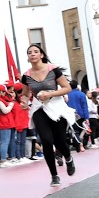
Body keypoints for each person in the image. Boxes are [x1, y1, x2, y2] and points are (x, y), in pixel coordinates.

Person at [21, 44, 76, 186]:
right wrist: (24, 102)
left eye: (35, 52)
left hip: (56, 107)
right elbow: (25, 94)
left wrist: (50, 94)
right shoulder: (26, 76)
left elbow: (67, 88)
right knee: (46, 140)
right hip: (39, 108)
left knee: (60, 141)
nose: (32, 54)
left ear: (42, 55)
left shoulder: (53, 70)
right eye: (29, 52)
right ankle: (54, 175)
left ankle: (68, 157)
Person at [0, 85, 16, 166]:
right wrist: (11, 105)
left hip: (4, 123)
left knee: (6, 141)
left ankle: (7, 158)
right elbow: (5, 111)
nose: (5, 93)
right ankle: (3, 160)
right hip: (3, 123)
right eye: (4, 92)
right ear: (1, 91)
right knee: (5, 142)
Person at [66, 80, 90, 152]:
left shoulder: (67, 95)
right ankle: (81, 144)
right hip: (81, 114)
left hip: (70, 115)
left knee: (74, 131)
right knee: (82, 130)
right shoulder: (81, 94)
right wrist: (87, 117)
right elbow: (84, 106)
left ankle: (78, 145)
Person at [11, 82, 30, 163]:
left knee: (22, 141)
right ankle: (19, 157)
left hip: (24, 123)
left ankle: (22, 156)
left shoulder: (22, 101)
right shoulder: (14, 103)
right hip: (18, 124)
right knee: (18, 142)